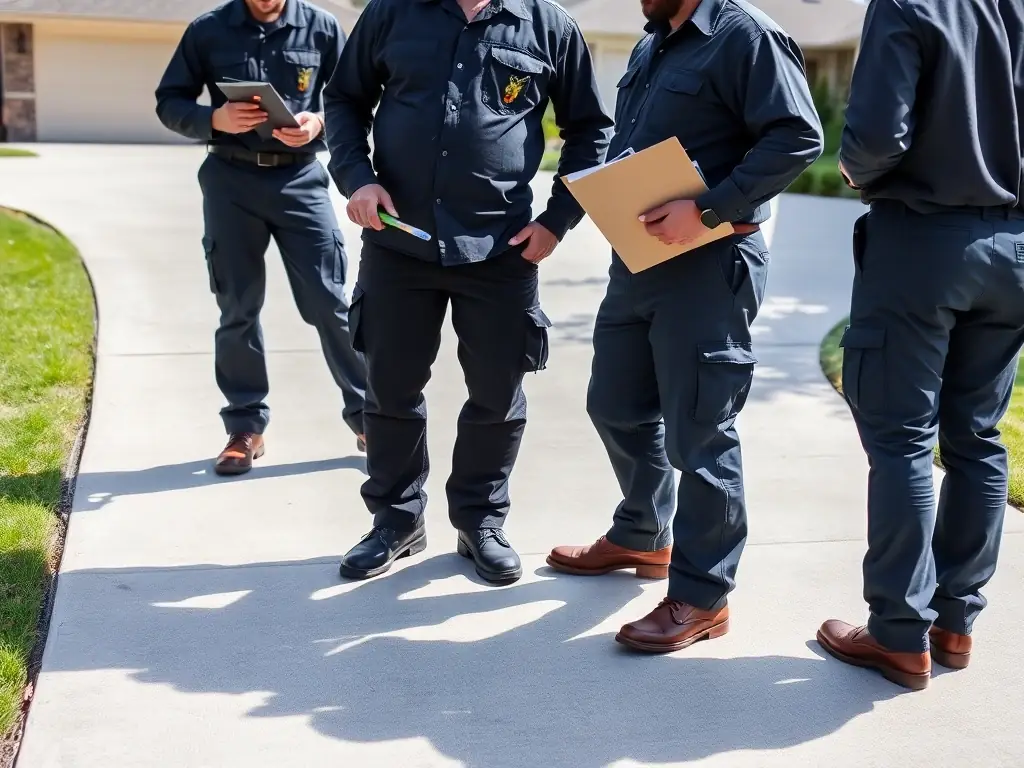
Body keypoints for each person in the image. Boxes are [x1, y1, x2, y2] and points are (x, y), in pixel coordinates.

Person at [547, 0, 823, 652]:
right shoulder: (653, 45)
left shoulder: (746, 36)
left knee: (701, 433)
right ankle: (644, 533)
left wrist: (708, 208)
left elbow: (797, 136)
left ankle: (703, 597)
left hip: (709, 263)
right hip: (639, 261)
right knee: (614, 404)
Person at [323, 0, 613, 583]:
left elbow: (590, 130)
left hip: (501, 249)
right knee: (390, 389)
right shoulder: (392, 13)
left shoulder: (549, 26)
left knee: (497, 394)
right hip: (398, 240)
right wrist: (358, 179)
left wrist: (557, 221)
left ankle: (480, 521)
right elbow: (344, 100)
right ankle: (396, 521)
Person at [816, 0, 1024, 691]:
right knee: (977, 436)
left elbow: (877, 135)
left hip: (923, 242)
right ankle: (955, 623)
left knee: (901, 438)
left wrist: (856, 169)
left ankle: (899, 635)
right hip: (1015, 251)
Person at [155, 0, 368, 475]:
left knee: (330, 302)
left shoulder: (322, 28)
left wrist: (318, 122)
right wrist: (215, 119)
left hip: (300, 180)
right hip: (230, 181)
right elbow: (169, 102)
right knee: (238, 307)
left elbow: (350, 100)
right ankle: (245, 427)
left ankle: (369, 417)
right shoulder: (208, 30)